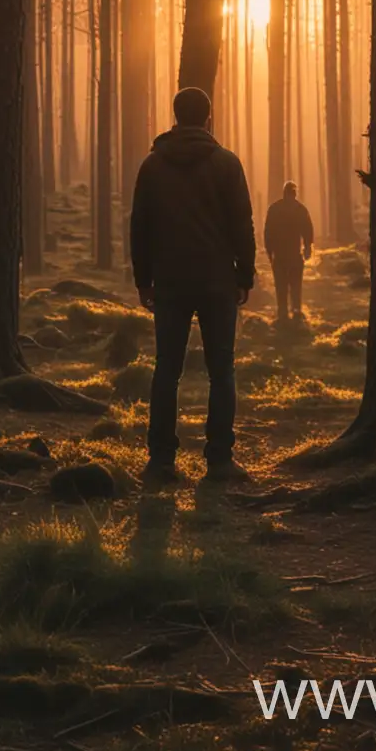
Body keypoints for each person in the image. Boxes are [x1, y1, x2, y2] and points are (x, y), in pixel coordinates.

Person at [129, 86, 256, 484]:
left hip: (169, 282)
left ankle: (161, 460)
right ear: (208, 116)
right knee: (222, 371)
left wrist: (143, 280)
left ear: (175, 115)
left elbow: (140, 226)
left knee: (167, 368)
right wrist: (244, 275)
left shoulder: (152, 166)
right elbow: (242, 224)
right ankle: (220, 460)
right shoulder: (227, 164)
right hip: (218, 281)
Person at [263, 181, 314, 322]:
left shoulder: (275, 209)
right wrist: (307, 247)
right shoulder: (299, 209)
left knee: (287, 284)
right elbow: (308, 229)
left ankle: (290, 312)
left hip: (285, 255)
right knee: (289, 284)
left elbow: (268, 232)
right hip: (288, 255)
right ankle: (288, 312)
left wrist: (308, 246)